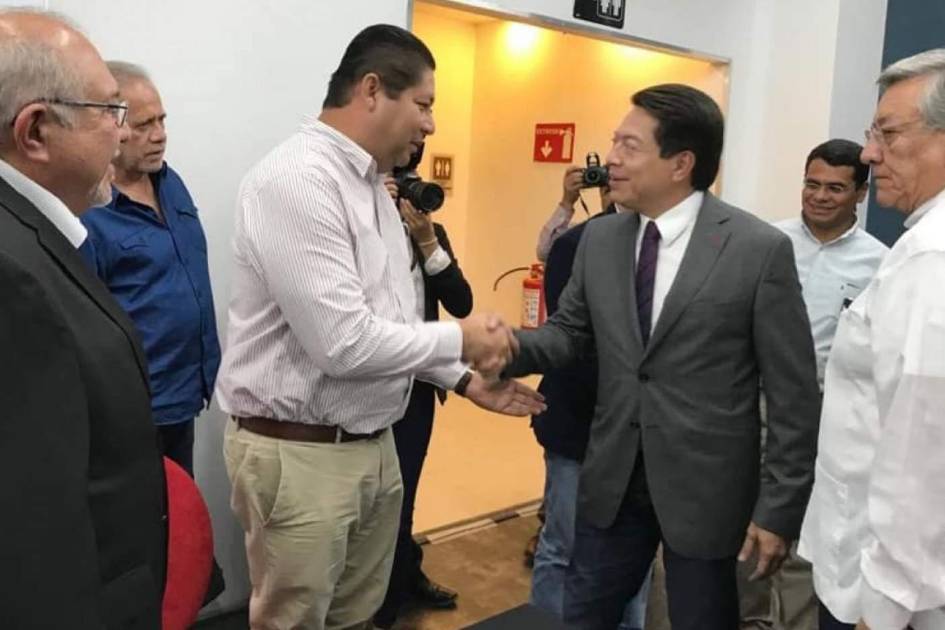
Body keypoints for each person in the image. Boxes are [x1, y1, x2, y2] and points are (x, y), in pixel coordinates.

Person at [215, 24, 543, 630]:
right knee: (295, 621)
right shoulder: (299, 180)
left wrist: (464, 379)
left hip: (371, 444)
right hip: (302, 453)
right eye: (423, 104)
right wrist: (463, 337)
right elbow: (344, 343)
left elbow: (391, 323)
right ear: (371, 90)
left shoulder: (373, 187)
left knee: (357, 615)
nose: (431, 125)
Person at [504, 83, 821, 630]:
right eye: (614, 142)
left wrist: (778, 510)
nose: (612, 158)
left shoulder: (757, 249)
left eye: (629, 145)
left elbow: (792, 394)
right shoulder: (600, 240)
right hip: (613, 480)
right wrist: (499, 347)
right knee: (584, 617)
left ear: (681, 163)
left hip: (707, 494)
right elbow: (567, 335)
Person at [0, 9, 166, 628]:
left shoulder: (31, 239)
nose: (122, 134)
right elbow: (34, 529)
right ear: (36, 132)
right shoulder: (12, 274)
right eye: (109, 111)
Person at [798, 48, 945, 630]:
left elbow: (922, 458)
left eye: (889, 133)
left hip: (887, 596)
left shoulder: (931, 259)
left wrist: (882, 609)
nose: (869, 153)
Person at [741, 139, 888, 630]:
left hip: (831, 421)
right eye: (812, 184)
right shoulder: (767, 244)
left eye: (835, 188)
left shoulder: (881, 264)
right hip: (756, 411)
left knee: (810, 543)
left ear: (860, 194)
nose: (820, 196)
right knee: (747, 535)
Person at [80, 61, 220, 476]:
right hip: (133, 412)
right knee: (144, 514)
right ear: (112, 125)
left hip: (186, 396)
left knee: (180, 510)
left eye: (162, 120)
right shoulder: (90, 211)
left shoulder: (169, 182)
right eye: (144, 125)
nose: (159, 135)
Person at [530, 170, 652, 630]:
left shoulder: (675, 246)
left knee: (634, 551)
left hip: (644, 433)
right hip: (580, 426)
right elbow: (569, 340)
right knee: (564, 546)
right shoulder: (577, 244)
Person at [374, 165, 471, 627]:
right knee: (376, 502)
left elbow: (462, 303)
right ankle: (380, 602)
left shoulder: (433, 233)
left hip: (420, 386)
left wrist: (428, 242)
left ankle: (403, 581)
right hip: (372, 385)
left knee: (405, 493)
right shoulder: (363, 232)